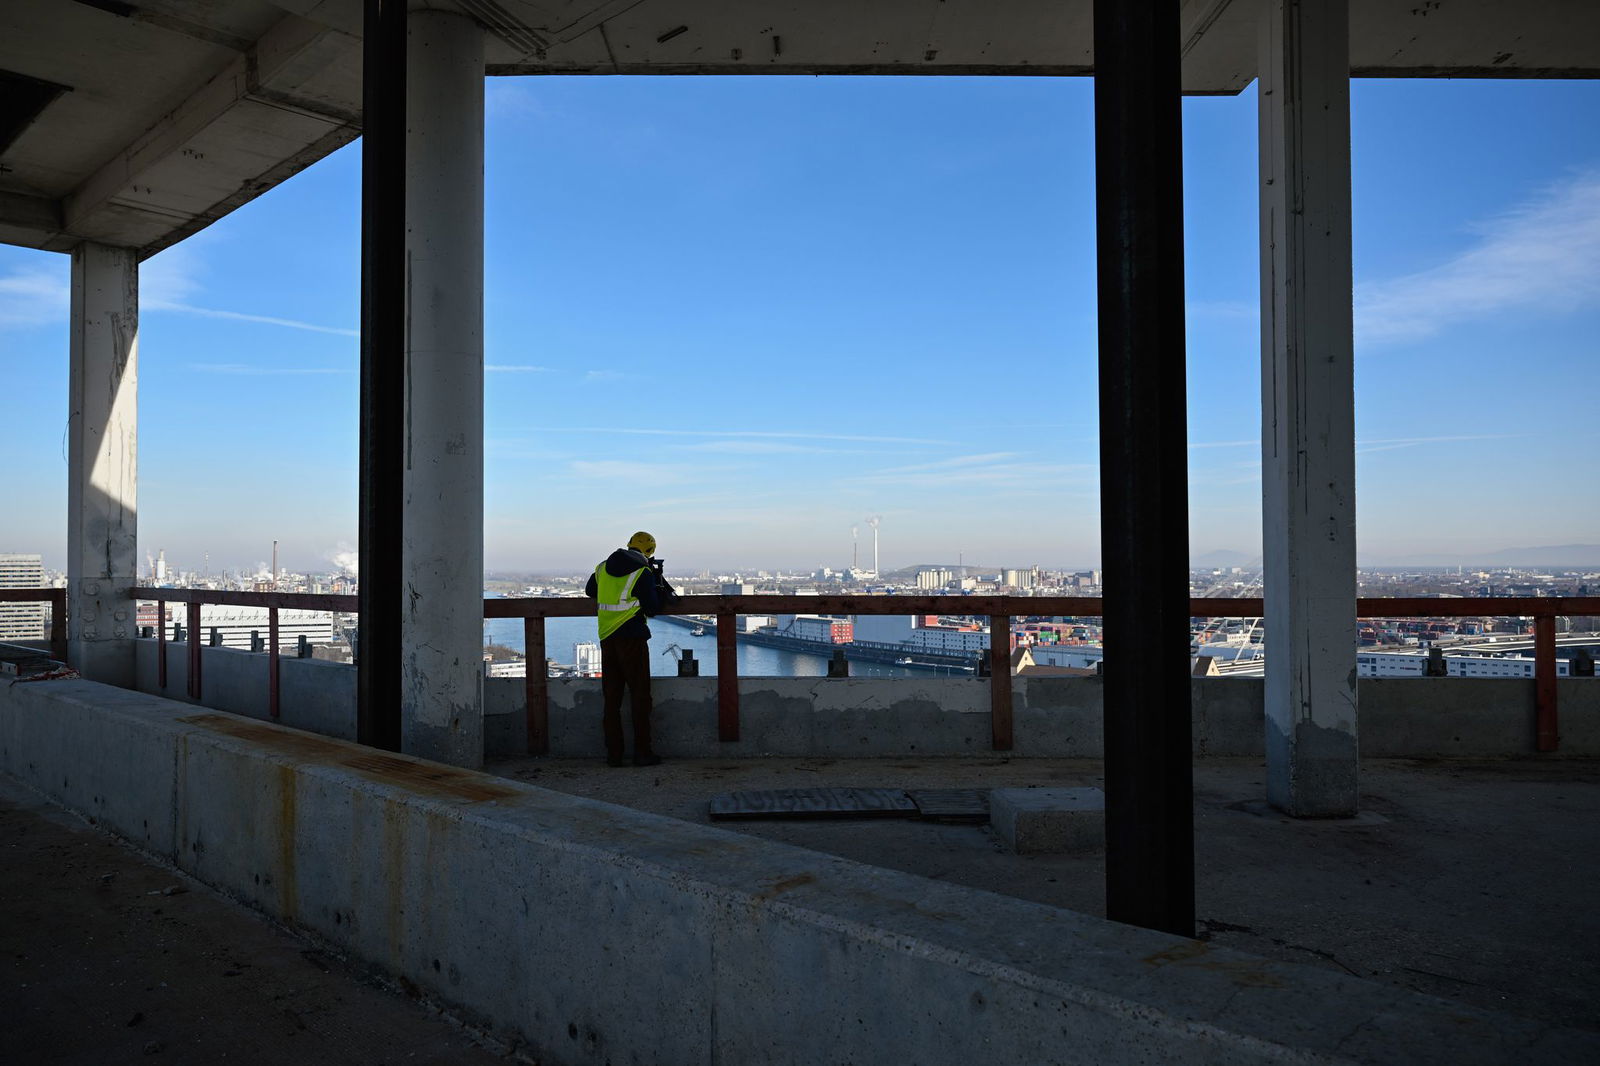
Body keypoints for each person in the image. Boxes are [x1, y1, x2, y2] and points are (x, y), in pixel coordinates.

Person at [584, 531, 678, 767]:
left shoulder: (602, 567)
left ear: (628, 545)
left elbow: (590, 591)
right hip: (632, 638)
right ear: (650, 552)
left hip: (607, 637)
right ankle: (642, 753)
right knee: (640, 696)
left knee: (611, 698)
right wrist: (656, 584)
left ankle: (614, 755)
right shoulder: (642, 573)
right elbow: (652, 609)